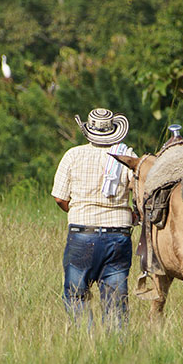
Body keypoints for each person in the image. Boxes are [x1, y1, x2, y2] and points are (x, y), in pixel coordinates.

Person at [51, 108, 138, 330]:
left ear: (89, 130)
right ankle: (117, 351)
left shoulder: (73, 155)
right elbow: (140, 194)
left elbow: (60, 198)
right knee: (116, 302)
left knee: (76, 295)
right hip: (118, 235)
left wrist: (79, 211)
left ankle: (86, 342)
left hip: (82, 233)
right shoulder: (127, 156)